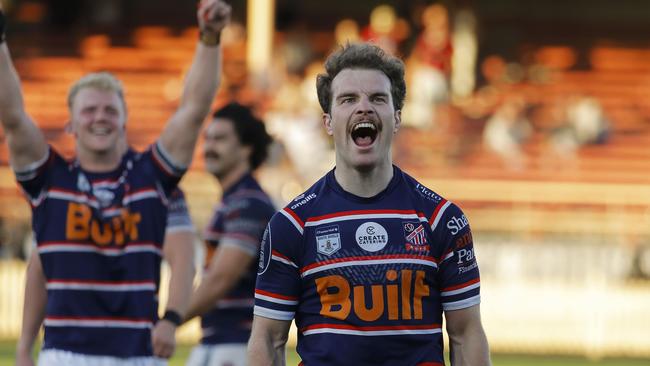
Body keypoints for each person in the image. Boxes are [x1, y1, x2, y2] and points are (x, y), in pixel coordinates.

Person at [1, 0, 231, 364]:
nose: (100, 118)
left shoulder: (151, 177)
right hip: (66, 354)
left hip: (136, 355)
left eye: (110, 110)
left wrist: (210, 36)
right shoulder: (50, 180)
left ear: (125, 121)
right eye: (88, 110)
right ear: (70, 125)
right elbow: (12, 115)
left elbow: (194, 110)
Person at [247, 43, 491, 365]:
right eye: (348, 99)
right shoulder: (291, 226)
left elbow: (466, 333)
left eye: (378, 98)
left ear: (397, 117)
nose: (364, 108)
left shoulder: (441, 219)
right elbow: (267, 338)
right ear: (329, 122)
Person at [183, 103, 275, 366]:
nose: (209, 147)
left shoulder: (248, 204)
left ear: (246, 147)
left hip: (236, 346)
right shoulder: (234, 200)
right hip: (221, 343)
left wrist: (169, 321)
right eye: (207, 138)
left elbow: (221, 278)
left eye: (220, 139)